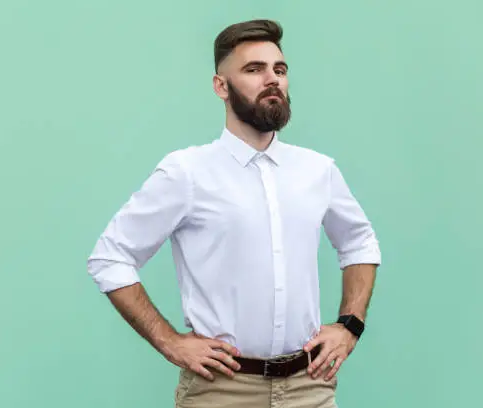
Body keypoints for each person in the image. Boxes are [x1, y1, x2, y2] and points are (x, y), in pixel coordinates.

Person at [87, 19, 381, 408]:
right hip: (221, 390)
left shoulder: (317, 171)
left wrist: (350, 325)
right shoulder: (187, 173)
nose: (272, 79)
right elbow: (110, 257)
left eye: (279, 69)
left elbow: (359, 241)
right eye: (253, 69)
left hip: (309, 387)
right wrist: (169, 341)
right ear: (220, 86)